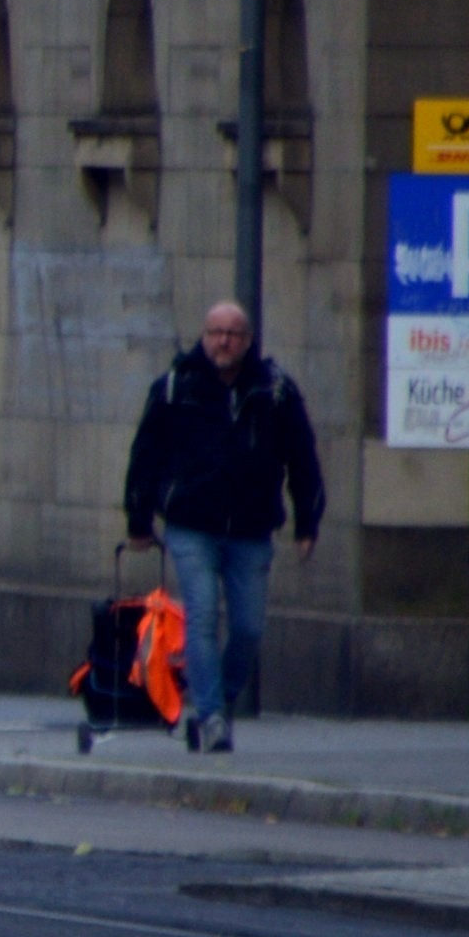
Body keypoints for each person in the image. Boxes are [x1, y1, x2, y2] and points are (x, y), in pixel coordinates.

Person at [121, 298, 326, 753]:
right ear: (204, 336)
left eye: (233, 334)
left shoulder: (274, 391)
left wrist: (307, 522)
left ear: (248, 341)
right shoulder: (177, 386)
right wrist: (138, 519)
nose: (224, 342)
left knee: (248, 628)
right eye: (216, 333)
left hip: (252, 528)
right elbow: (145, 456)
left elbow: (302, 458)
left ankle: (221, 699)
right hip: (191, 525)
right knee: (202, 615)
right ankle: (211, 716)